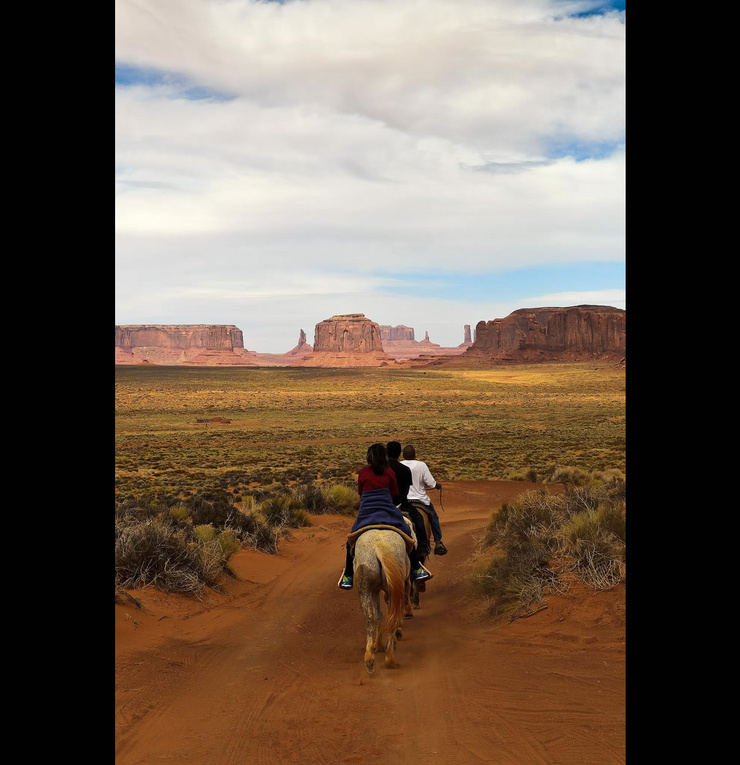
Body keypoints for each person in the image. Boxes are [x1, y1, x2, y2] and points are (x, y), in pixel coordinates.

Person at [338, 443, 432, 590]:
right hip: (388, 509)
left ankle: (348, 576)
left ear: (369, 458)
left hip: (367, 511)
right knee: (407, 533)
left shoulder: (363, 472)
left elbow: (360, 492)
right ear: (384, 457)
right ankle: (417, 569)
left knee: (351, 539)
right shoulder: (389, 472)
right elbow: (394, 493)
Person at [386, 440, 431, 557]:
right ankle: (422, 548)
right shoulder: (405, 470)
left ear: (386, 452)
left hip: (384, 504)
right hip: (401, 504)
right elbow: (406, 491)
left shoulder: (381, 469)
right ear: (399, 453)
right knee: (419, 519)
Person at [401, 444, 447, 555]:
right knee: (434, 517)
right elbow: (431, 483)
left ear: (403, 455)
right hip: (420, 500)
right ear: (415, 455)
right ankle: (438, 543)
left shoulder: (399, 465)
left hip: (403, 501)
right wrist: (437, 485)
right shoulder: (421, 465)